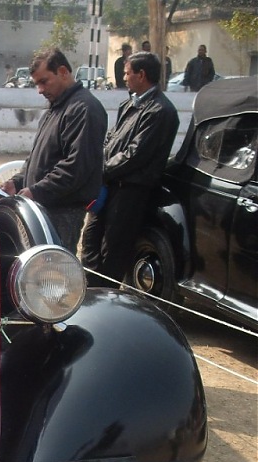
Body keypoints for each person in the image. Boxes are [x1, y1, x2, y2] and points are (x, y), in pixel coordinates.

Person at [80, 51, 179, 288]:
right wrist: (100, 167)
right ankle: (90, 290)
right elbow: (111, 141)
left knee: (113, 249)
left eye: (127, 73)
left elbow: (135, 155)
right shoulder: (129, 104)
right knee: (90, 239)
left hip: (130, 193)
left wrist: (102, 170)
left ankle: (105, 297)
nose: (124, 78)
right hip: (109, 185)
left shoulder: (160, 111)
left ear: (141, 74)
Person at [1, 48, 107, 253]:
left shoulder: (84, 108)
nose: (40, 90)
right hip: (42, 208)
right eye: (37, 84)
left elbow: (76, 168)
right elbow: (37, 158)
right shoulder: (56, 108)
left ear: (63, 72)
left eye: (44, 81)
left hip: (62, 213)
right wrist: (17, 182)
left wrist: (36, 190)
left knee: (51, 276)